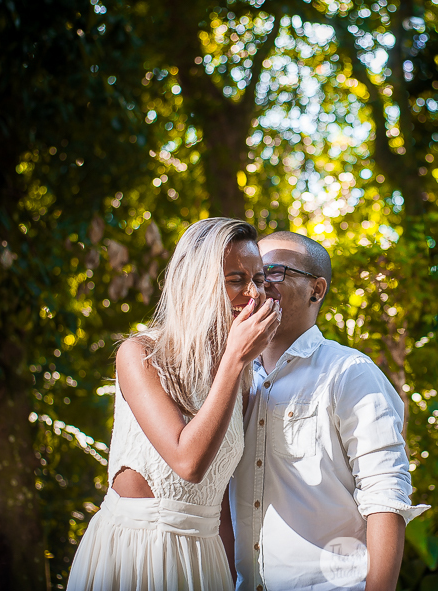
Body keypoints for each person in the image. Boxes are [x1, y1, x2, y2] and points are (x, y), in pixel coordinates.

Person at [68, 218, 281, 591]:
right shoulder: (140, 355)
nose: (253, 293)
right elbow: (188, 463)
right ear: (197, 283)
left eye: (259, 279)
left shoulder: (244, 379)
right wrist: (234, 360)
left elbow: (224, 499)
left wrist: (235, 579)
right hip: (138, 551)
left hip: (205, 560)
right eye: (236, 280)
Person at [231, 231, 429, 591]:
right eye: (256, 274)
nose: (259, 286)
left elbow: (385, 495)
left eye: (274, 272)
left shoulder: (349, 372)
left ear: (316, 290)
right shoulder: (232, 379)